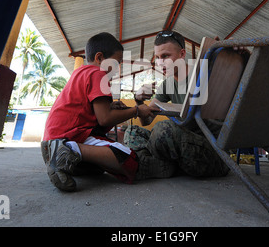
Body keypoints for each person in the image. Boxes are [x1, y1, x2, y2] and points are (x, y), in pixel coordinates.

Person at [41, 32, 176, 192]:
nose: (118, 69)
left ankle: (65, 157)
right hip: (71, 136)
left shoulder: (80, 73)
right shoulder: (98, 74)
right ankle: (68, 150)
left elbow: (92, 112)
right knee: (128, 156)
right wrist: (137, 110)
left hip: (54, 136)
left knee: (98, 168)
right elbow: (104, 119)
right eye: (117, 63)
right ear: (100, 58)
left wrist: (112, 107)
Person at [123, 30, 245, 177]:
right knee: (132, 132)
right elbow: (146, 120)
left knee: (163, 130)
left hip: (212, 153)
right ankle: (164, 166)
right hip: (182, 145)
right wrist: (139, 100)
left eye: (166, 56)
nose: (161, 62)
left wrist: (236, 53)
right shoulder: (167, 85)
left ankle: (155, 164)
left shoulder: (204, 72)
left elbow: (239, 74)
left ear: (181, 54)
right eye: (158, 57)